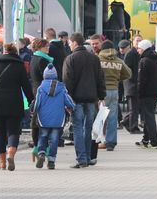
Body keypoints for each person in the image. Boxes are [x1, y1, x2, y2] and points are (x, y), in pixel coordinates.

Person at [0, 43, 34, 170]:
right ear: (15, 52)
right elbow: (26, 86)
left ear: (4, 51)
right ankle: (11, 154)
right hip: (14, 103)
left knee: (0, 132)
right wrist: (31, 101)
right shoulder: (19, 65)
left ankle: (2, 162)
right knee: (13, 131)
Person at [63, 33, 106, 168]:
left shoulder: (70, 59)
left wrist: (67, 101)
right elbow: (100, 78)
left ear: (75, 43)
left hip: (76, 99)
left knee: (77, 128)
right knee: (88, 128)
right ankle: (87, 157)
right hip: (91, 99)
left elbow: (67, 81)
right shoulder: (94, 58)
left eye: (70, 43)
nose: (69, 45)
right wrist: (101, 96)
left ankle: (81, 159)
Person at [34, 64, 75, 170]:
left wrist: (34, 111)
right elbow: (68, 101)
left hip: (43, 118)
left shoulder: (41, 88)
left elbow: (37, 102)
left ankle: (42, 153)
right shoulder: (62, 88)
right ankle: (51, 161)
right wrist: (73, 107)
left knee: (42, 136)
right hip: (58, 119)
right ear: (56, 76)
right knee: (54, 140)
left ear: (44, 76)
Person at [98, 40, 131, 151]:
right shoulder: (119, 61)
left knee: (100, 117)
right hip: (114, 91)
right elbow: (128, 73)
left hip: (102, 92)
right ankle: (110, 143)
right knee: (112, 117)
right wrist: (117, 79)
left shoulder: (98, 60)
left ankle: (98, 141)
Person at [136, 40, 157, 149]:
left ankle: (153, 141)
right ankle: (146, 139)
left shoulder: (144, 61)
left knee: (149, 116)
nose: (137, 51)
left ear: (143, 49)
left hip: (146, 93)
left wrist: (139, 93)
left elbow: (141, 80)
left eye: (138, 48)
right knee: (148, 115)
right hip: (156, 92)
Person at [119, 39, 142, 134]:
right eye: (120, 48)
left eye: (123, 48)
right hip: (131, 84)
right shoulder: (131, 54)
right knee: (134, 107)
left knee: (134, 107)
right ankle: (133, 127)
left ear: (128, 47)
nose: (121, 50)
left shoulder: (130, 54)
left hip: (131, 84)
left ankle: (126, 121)